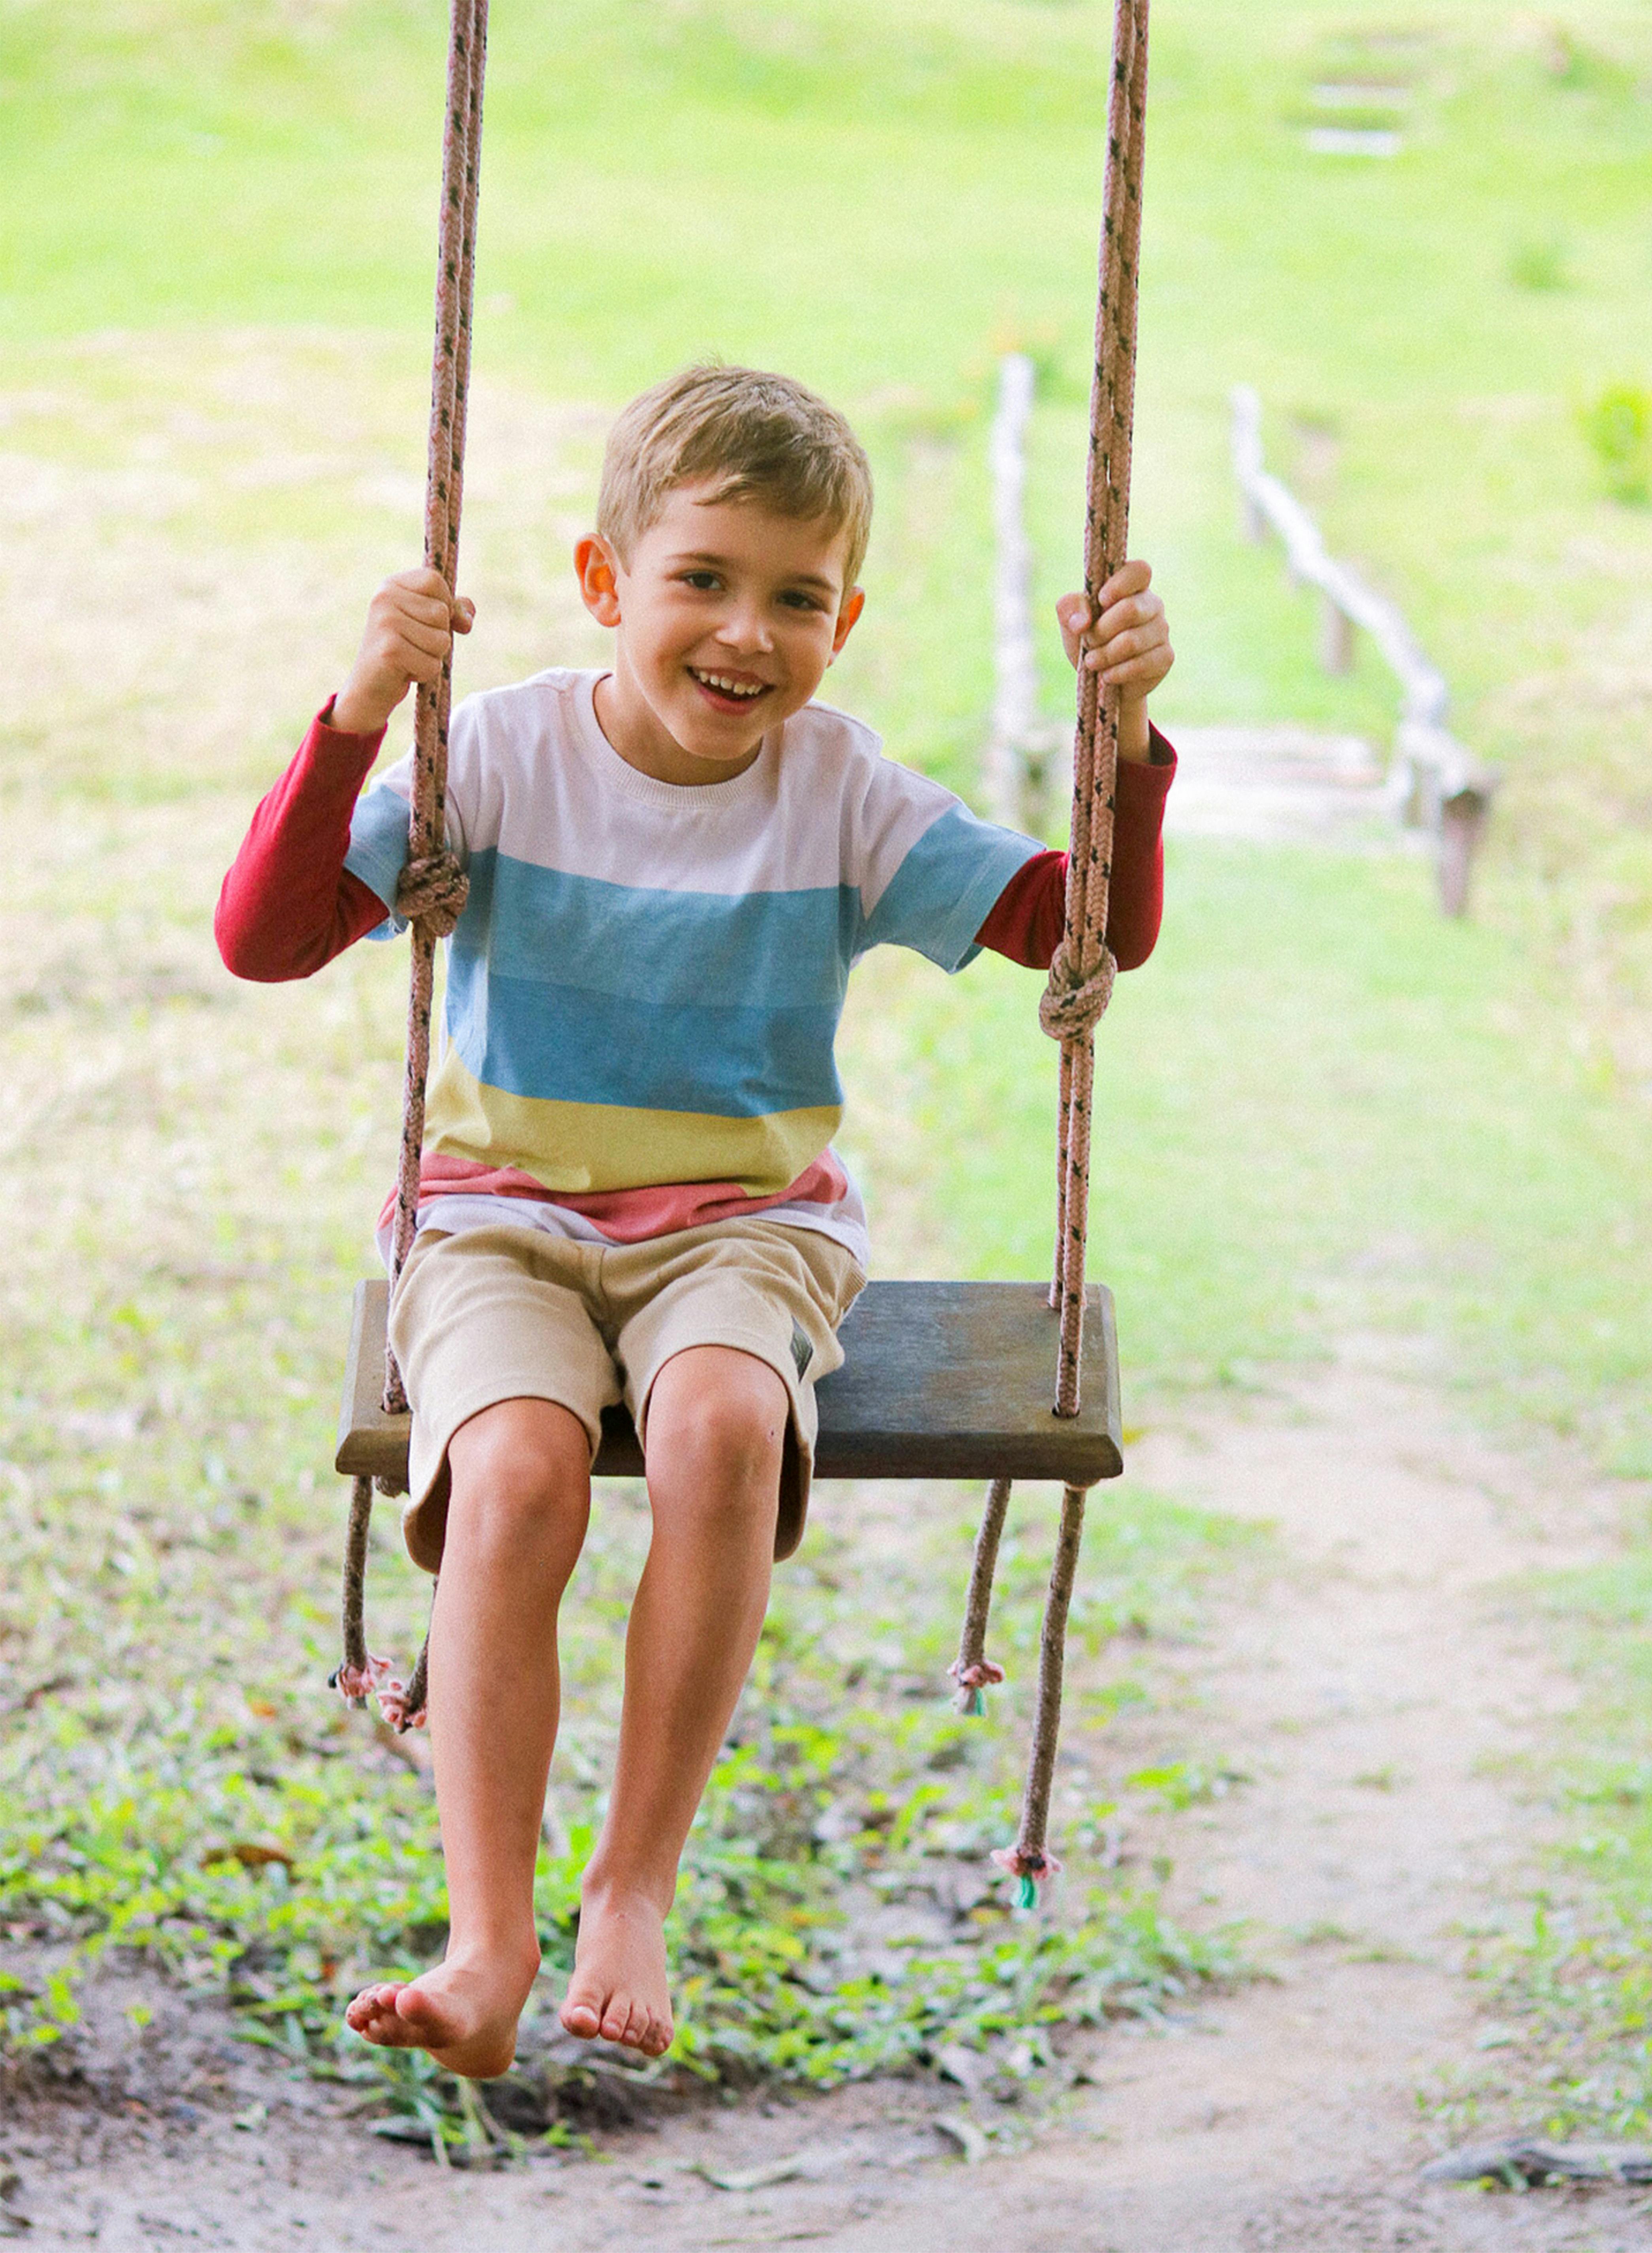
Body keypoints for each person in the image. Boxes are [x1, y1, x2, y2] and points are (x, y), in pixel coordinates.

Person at [216, 363, 1176, 2080]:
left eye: (797, 599)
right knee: (511, 1471)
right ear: (606, 583)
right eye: (705, 581)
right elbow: (269, 936)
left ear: (848, 619)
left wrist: (1125, 736)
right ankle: (488, 1937)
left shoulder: (841, 791)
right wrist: (363, 705)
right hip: (500, 1215)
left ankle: (633, 1889)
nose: (750, 633)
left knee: (724, 1423)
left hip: (744, 1224)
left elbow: (1081, 929)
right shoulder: (495, 752)